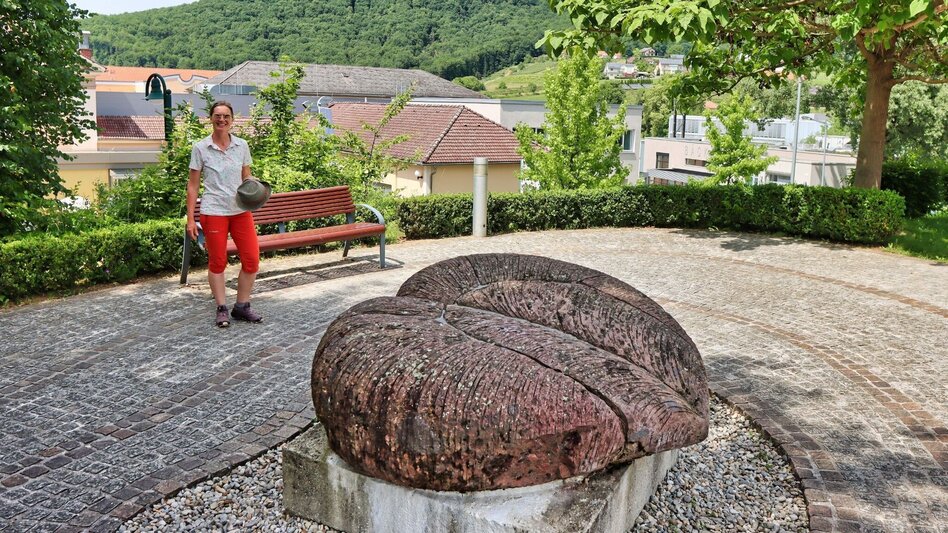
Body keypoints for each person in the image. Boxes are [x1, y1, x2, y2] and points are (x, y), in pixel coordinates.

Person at [186, 101, 263, 328]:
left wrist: (254, 183)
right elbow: (193, 185)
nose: (222, 120)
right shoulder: (201, 148)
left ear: (232, 120)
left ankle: (242, 306)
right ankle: (221, 308)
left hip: (240, 209)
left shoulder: (242, 145)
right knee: (218, 261)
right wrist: (191, 219)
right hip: (213, 211)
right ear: (211, 118)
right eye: (218, 116)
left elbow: (246, 175)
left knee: (252, 260)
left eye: (226, 116)